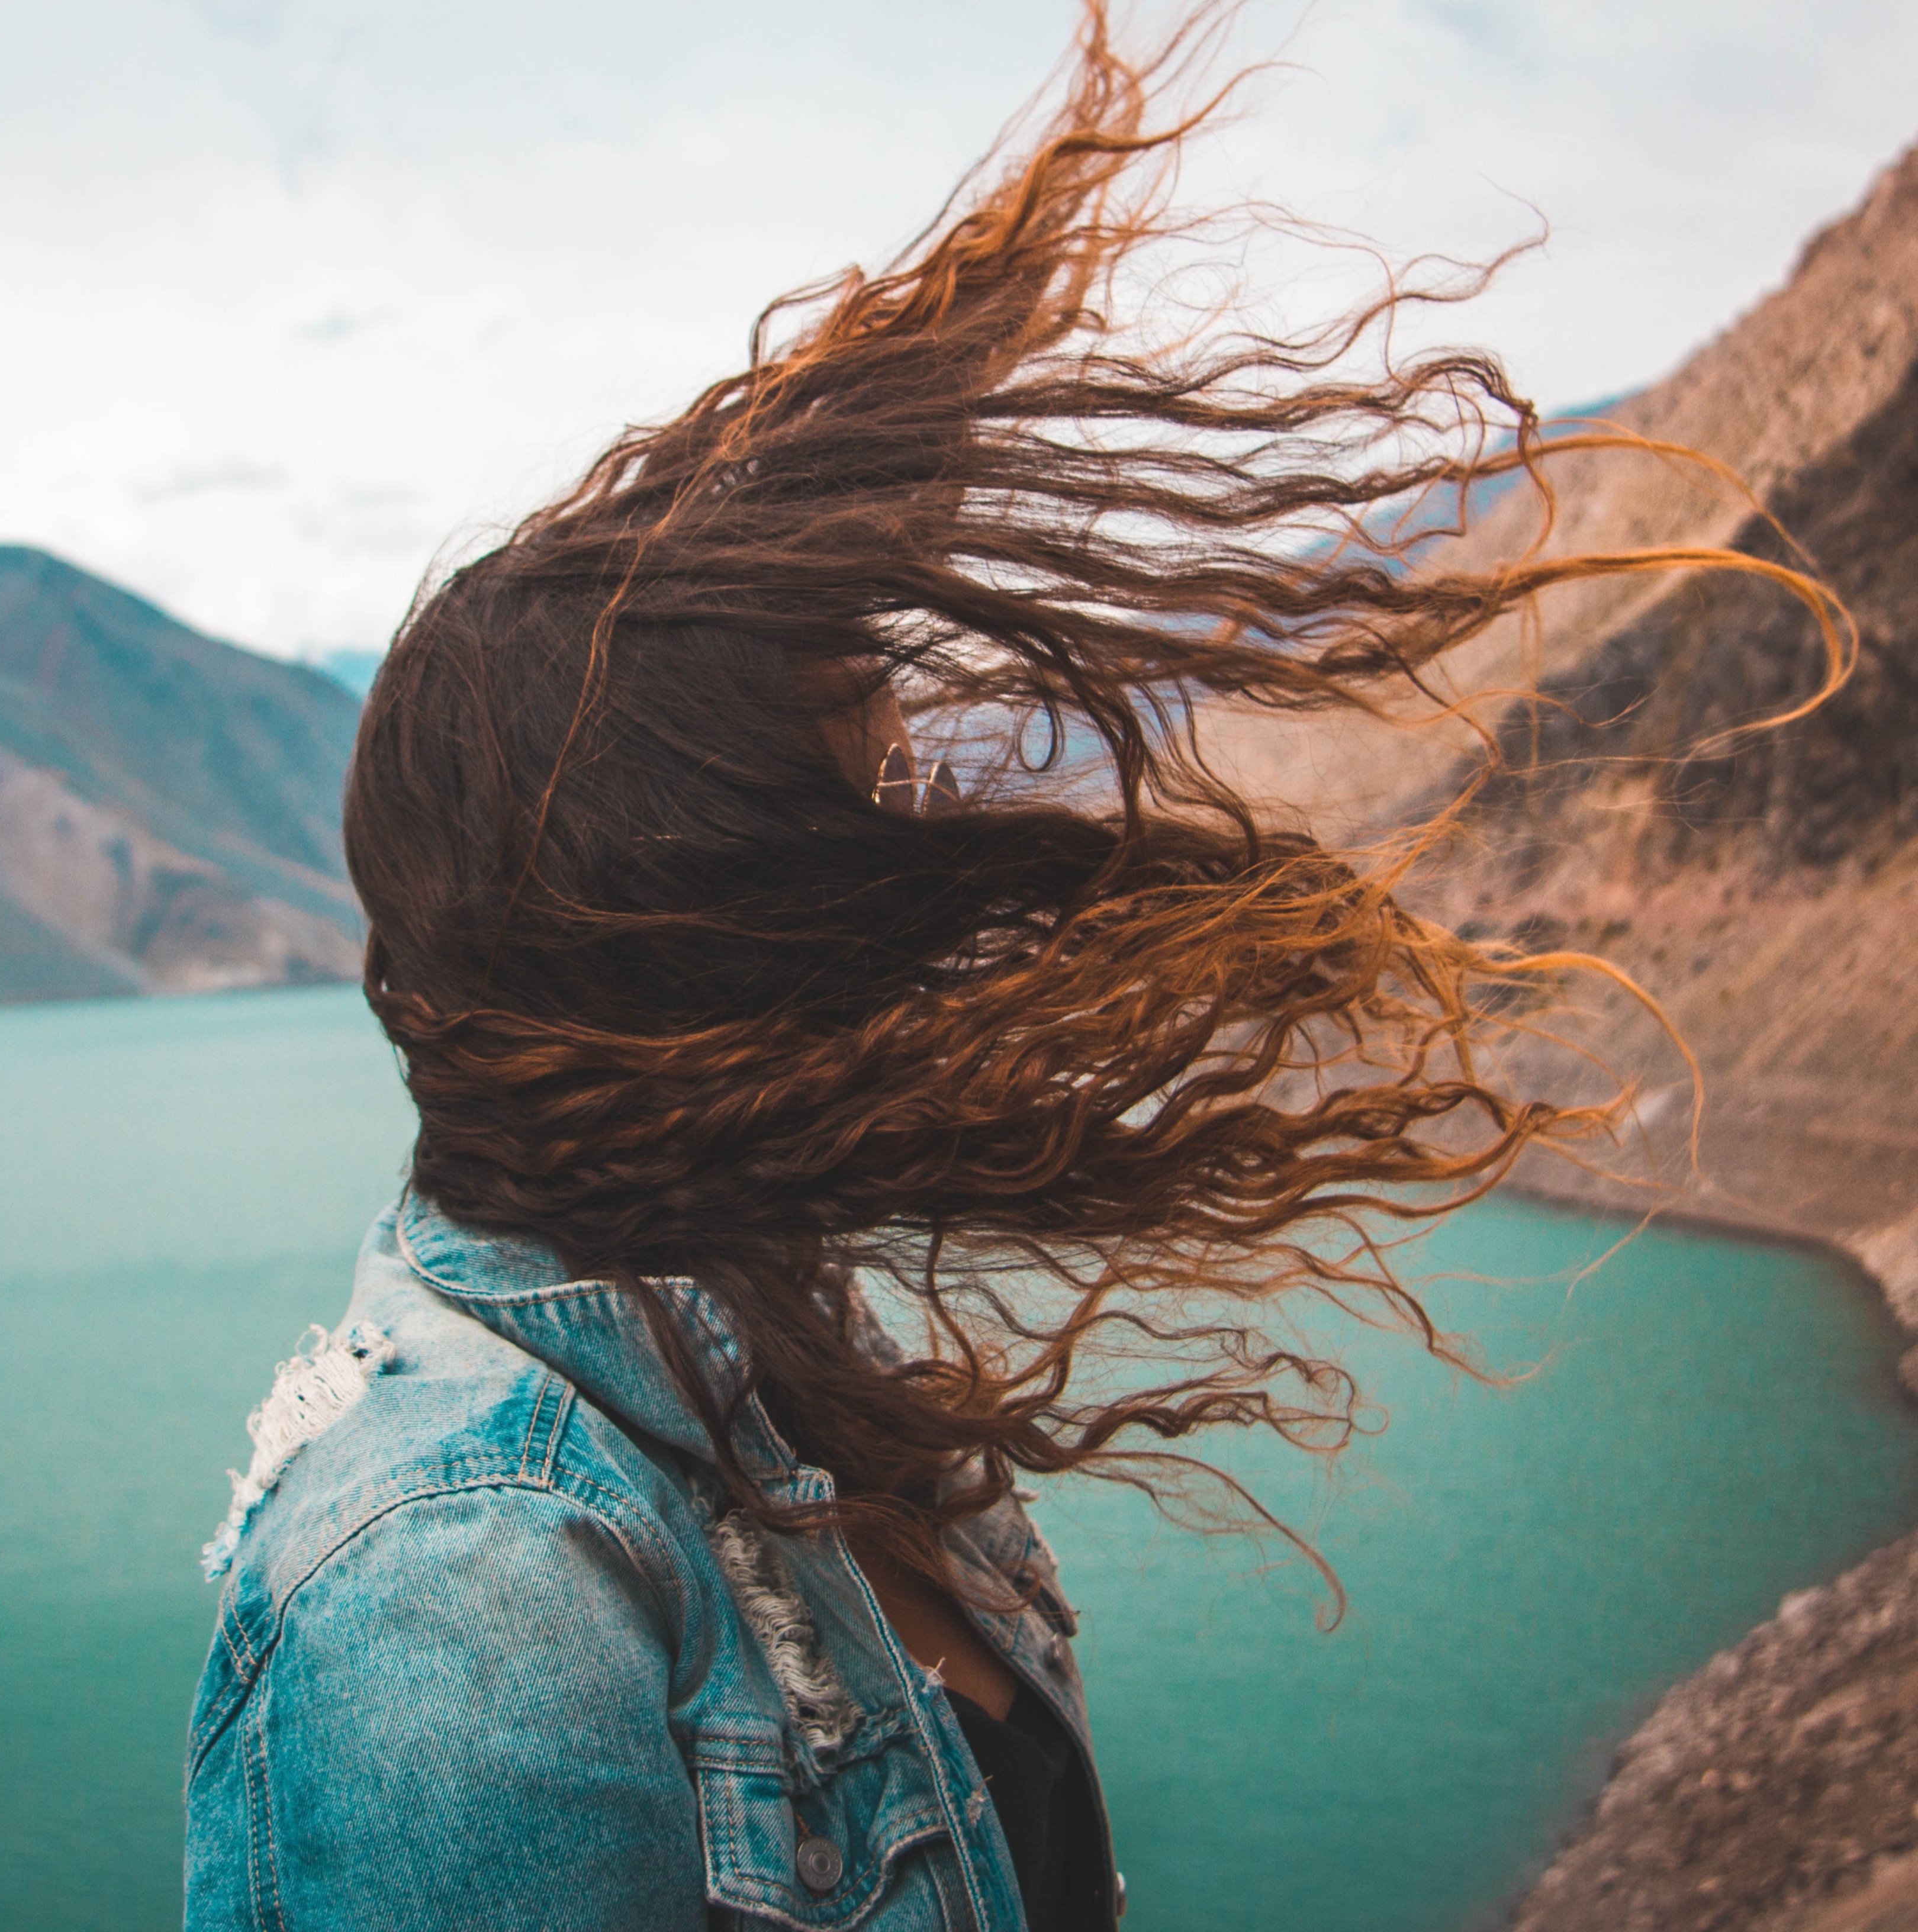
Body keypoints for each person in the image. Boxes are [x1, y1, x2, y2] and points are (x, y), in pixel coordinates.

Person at [181, 7, 1848, 1929]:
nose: (925, 879)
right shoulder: (460, 1588)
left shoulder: (769, 1362)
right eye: (856, 821)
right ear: (692, 929)